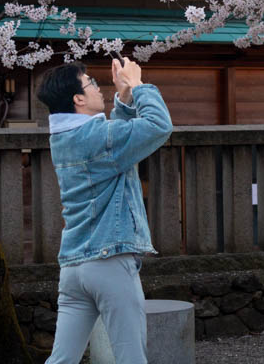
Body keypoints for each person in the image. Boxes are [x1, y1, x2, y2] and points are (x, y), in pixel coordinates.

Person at [36, 57, 172, 364]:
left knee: (61, 360)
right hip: (109, 264)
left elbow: (117, 146)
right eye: (91, 83)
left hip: (73, 268)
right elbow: (159, 126)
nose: (98, 87)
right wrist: (138, 86)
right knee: (131, 357)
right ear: (78, 98)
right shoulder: (98, 139)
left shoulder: (64, 139)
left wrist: (123, 100)